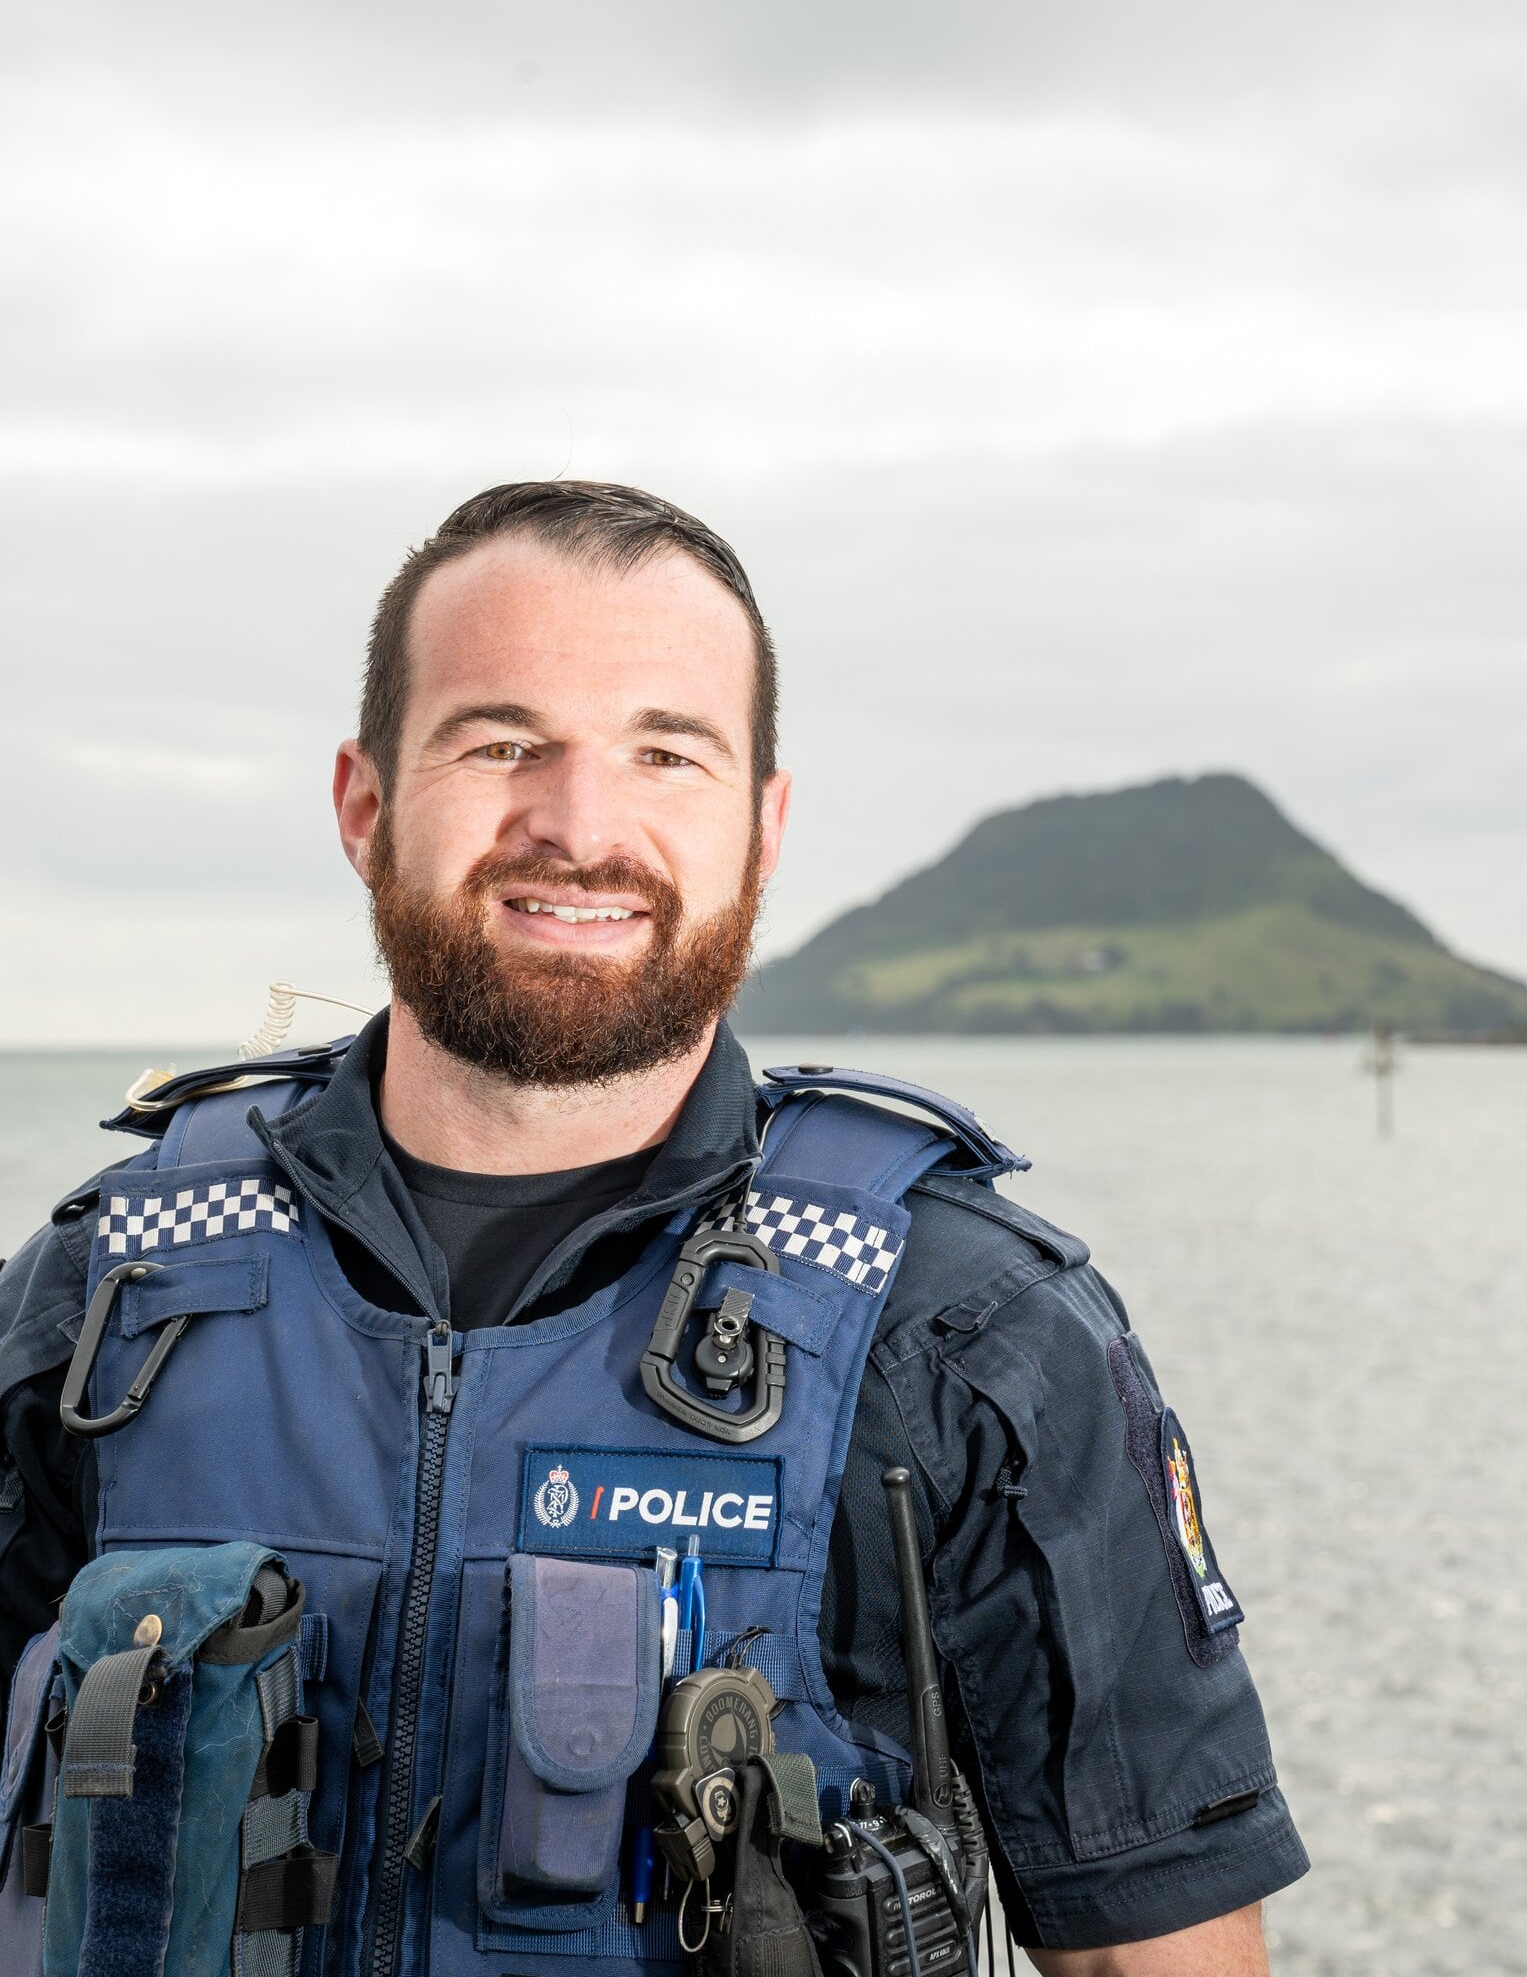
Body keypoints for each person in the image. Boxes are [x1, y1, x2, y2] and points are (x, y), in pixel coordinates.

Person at [0, 481, 1307, 1976]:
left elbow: (1151, 1945)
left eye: (664, 754)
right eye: (501, 744)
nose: (579, 827)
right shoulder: (114, 1288)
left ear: (761, 826)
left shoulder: (963, 1331)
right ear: (367, 806)